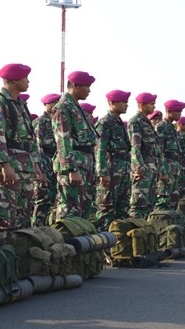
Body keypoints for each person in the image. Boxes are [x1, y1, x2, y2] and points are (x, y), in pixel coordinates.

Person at [0, 63, 43, 236]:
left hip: (24, 167)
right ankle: (3, 257)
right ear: (15, 80)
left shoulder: (20, 104)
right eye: (25, 78)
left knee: (22, 218)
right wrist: (3, 164)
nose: (28, 81)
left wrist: (36, 164)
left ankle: (20, 257)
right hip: (8, 167)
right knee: (3, 216)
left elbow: (29, 139)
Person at [51, 71, 98, 220]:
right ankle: (64, 242)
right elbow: (63, 140)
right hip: (74, 165)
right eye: (87, 87)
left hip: (84, 164)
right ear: (75, 86)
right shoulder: (63, 107)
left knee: (84, 210)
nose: (89, 90)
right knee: (69, 210)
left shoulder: (77, 108)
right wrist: (71, 168)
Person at [94, 90, 132, 230]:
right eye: (123, 102)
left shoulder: (119, 122)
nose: (126, 105)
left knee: (122, 207)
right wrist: (103, 172)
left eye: (126, 102)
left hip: (122, 166)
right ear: (112, 103)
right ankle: (103, 242)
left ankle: (119, 244)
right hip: (111, 167)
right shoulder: (105, 123)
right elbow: (100, 149)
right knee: (107, 207)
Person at [128, 93, 164, 218]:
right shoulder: (136, 121)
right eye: (151, 104)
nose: (154, 107)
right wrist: (138, 168)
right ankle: (136, 231)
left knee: (150, 203)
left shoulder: (146, 122)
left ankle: (145, 232)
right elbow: (135, 146)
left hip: (151, 168)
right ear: (142, 105)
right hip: (143, 169)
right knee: (138, 204)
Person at [32, 93, 60, 226]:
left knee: (53, 196)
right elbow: (36, 146)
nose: (56, 105)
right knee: (43, 197)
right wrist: (39, 168)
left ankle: (46, 226)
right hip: (44, 161)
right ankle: (37, 227)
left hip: (55, 160)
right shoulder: (40, 122)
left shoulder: (58, 121)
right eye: (54, 102)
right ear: (46, 104)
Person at [154, 99, 185, 210]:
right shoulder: (161, 127)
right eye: (177, 111)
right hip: (166, 167)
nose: (179, 114)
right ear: (169, 111)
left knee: (174, 199)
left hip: (174, 168)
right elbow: (159, 151)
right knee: (163, 199)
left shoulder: (172, 128)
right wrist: (162, 171)